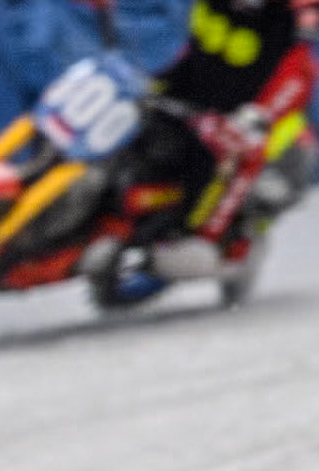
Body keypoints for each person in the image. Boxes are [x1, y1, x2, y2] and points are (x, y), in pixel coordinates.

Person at [123, 0, 317, 297]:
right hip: (199, 101)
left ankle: (200, 238)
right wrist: (162, 83)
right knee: (142, 129)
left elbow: (296, 76)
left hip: (249, 120)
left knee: (222, 155)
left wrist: (260, 115)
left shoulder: (283, 24)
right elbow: (195, 51)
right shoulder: (210, 6)